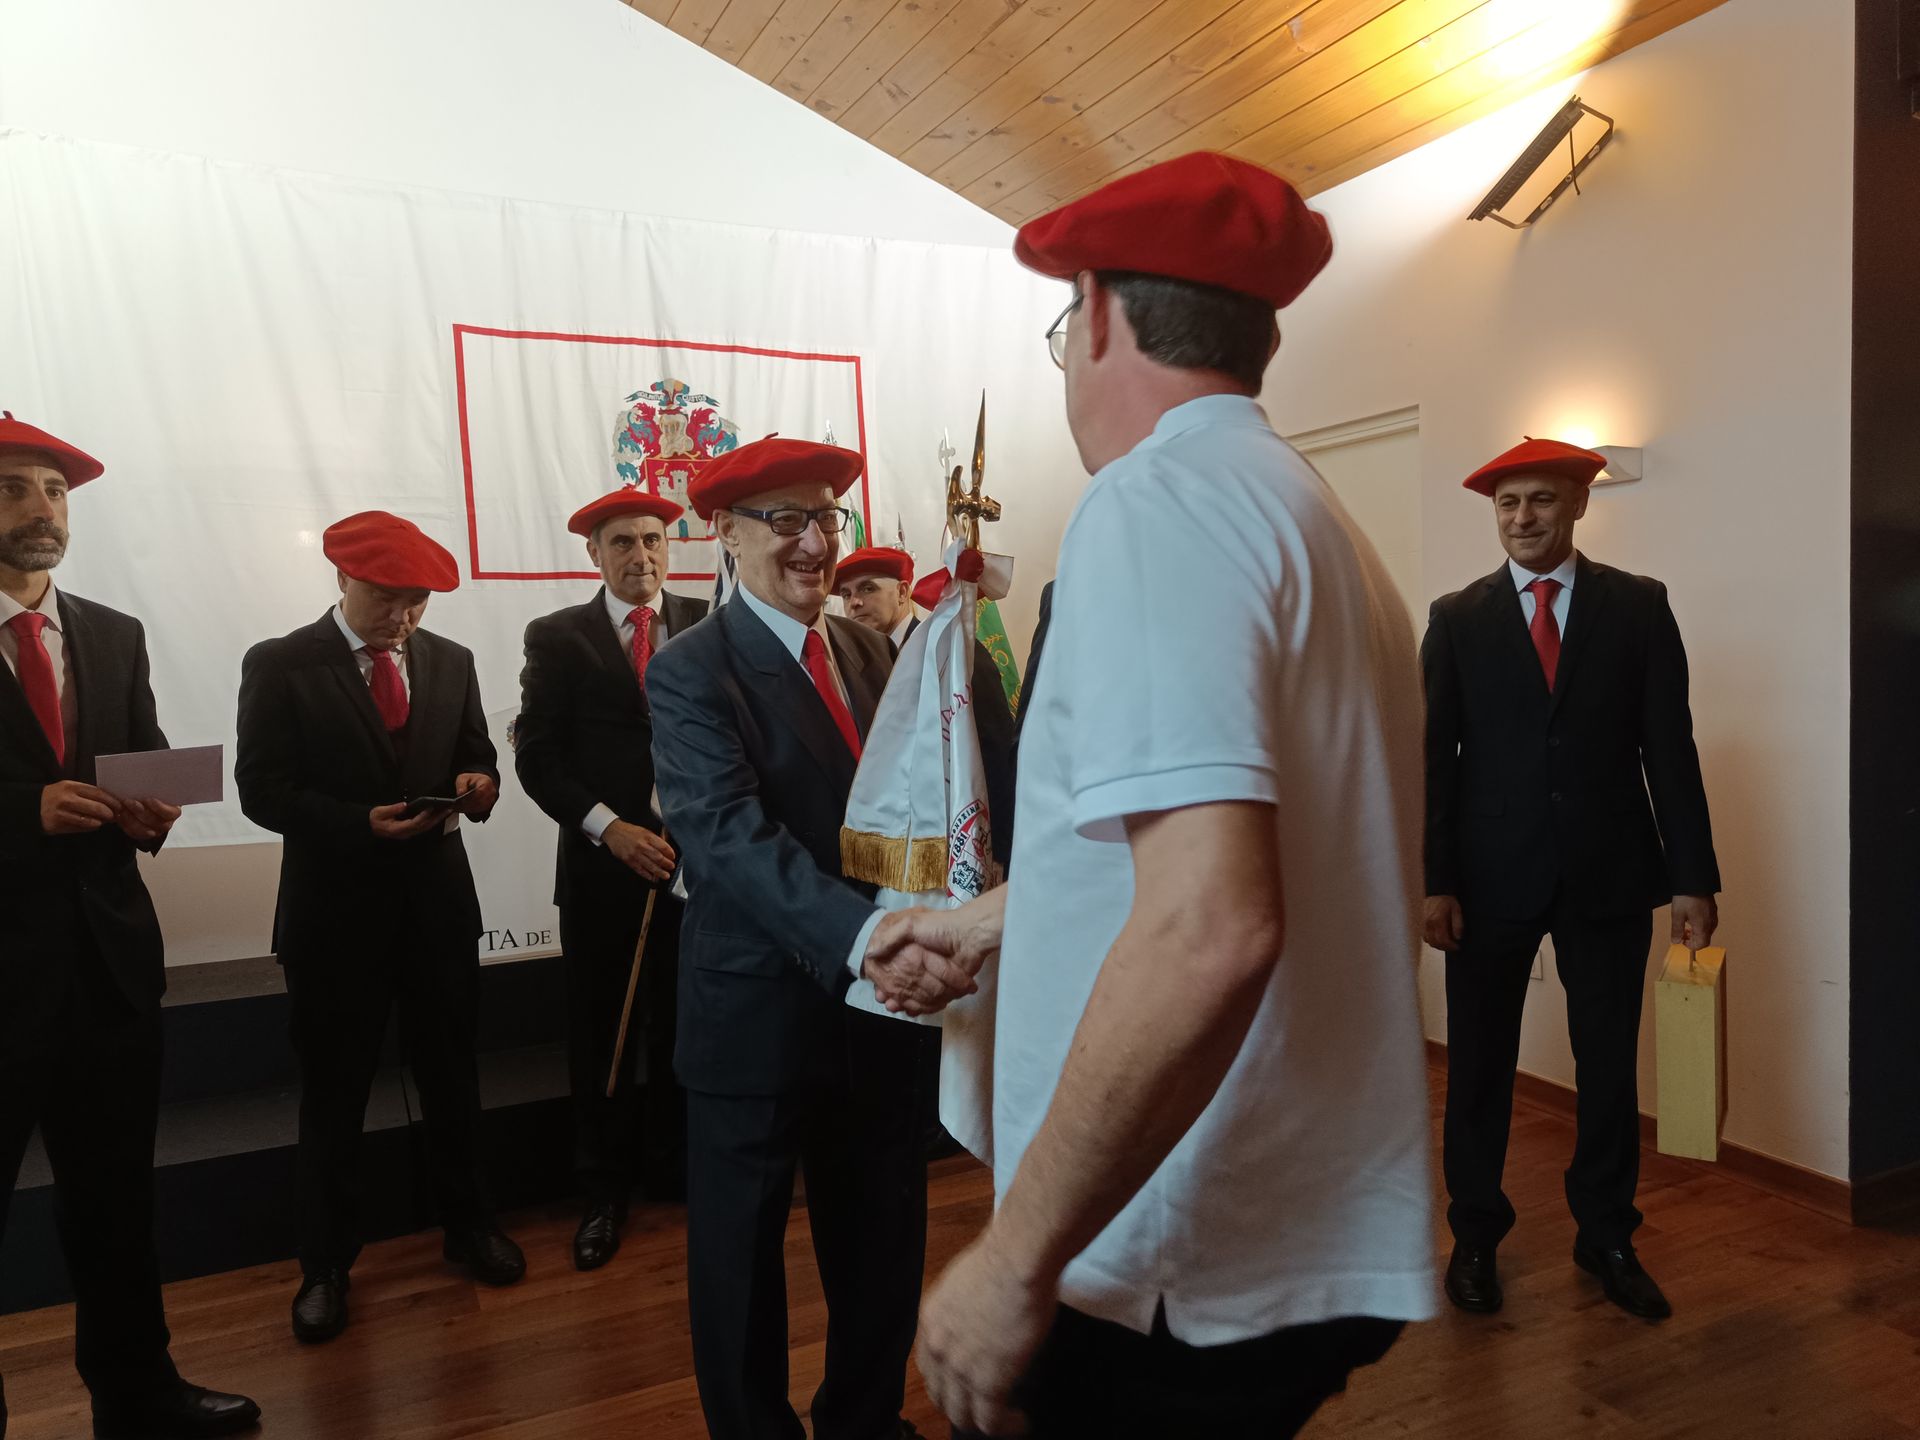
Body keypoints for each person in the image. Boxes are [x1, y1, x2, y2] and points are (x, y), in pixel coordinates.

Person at [880, 151, 1435, 1439]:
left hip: (1173, 1247)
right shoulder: (1314, 518)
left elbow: (1210, 925)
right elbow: (1228, 853)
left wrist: (1015, 1257)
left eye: (1065, 326)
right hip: (1287, 1211)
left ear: (1099, 316)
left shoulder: (1158, 503)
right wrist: (989, 921)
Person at [647, 438, 969, 1440]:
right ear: (725, 533)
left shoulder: (876, 653)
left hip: (883, 1010)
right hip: (759, 1009)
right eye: (785, 520)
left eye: (828, 517)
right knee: (739, 1265)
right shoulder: (690, 671)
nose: (816, 543)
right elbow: (728, 840)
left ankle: (865, 1423)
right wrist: (874, 937)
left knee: (882, 1242)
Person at [0, 413, 260, 1438]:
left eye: (55, 490)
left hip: (107, 969)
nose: (41, 508)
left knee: (114, 1203)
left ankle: (138, 1391)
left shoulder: (113, 633)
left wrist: (151, 812)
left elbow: (140, 758)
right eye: (14, 488)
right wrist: (22, 810)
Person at [1422, 438, 1721, 1322]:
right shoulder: (1457, 618)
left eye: (1542, 500)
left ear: (1580, 504)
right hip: (1488, 881)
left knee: (1609, 1067)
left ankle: (1607, 1234)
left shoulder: (1639, 606)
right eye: (1508, 503)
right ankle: (1476, 1235)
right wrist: (1436, 880)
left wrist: (1693, 877)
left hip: (1610, 874)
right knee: (1480, 1066)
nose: (1524, 518)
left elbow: (1670, 749)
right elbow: (1436, 761)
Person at [234, 510, 523, 1345]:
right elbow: (262, 790)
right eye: (387, 599)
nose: (402, 617)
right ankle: (325, 1264)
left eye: (417, 602)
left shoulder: (451, 660)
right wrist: (357, 824)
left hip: (436, 909)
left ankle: (469, 1226)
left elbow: (476, 752)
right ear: (342, 581)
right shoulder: (281, 663)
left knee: (453, 1079)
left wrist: (478, 784)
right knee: (334, 1096)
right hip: (335, 918)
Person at [514, 484, 707, 1269]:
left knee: (684, 1027)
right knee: (604, 1035)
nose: (641, 556)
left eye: (653, 539)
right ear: (594, 553)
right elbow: (538, 760)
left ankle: (677, 1168)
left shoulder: (708, 622)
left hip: (696, 873)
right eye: (622, 542)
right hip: (603, 875)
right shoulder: (558, 637)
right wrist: (610, 830)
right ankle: (603, 1190)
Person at [834, 545, 1015, 863]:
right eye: (846, 594)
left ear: (903, 592)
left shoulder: (950, 651)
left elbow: (997, 757)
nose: (854, 603)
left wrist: (999, 857)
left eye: (867, 588)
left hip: (966, 845)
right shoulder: (856, 668)